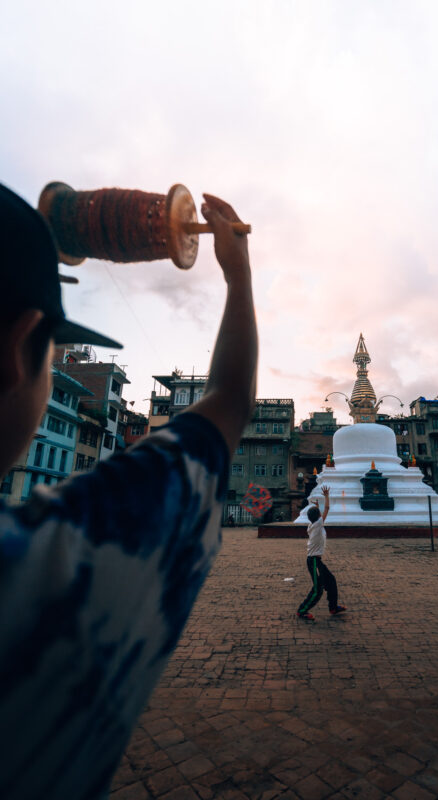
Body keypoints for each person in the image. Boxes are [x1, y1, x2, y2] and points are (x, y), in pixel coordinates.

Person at [0, 185, 257, 800]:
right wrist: (239, 279)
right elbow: (228, 401)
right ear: (17, 349)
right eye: (52, 351)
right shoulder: (49, 568)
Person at [296, 486, 346, 620]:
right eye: (319, 514)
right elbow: (327, 509)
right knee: (318, 589)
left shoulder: (313, 525)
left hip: (317, 561)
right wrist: (326, 496)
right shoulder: (318, 525)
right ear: (318, 517)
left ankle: (333, 607)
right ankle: (302, 610)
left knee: (331, 580)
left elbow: (319, 513)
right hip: (313, 561)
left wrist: (317, 506)